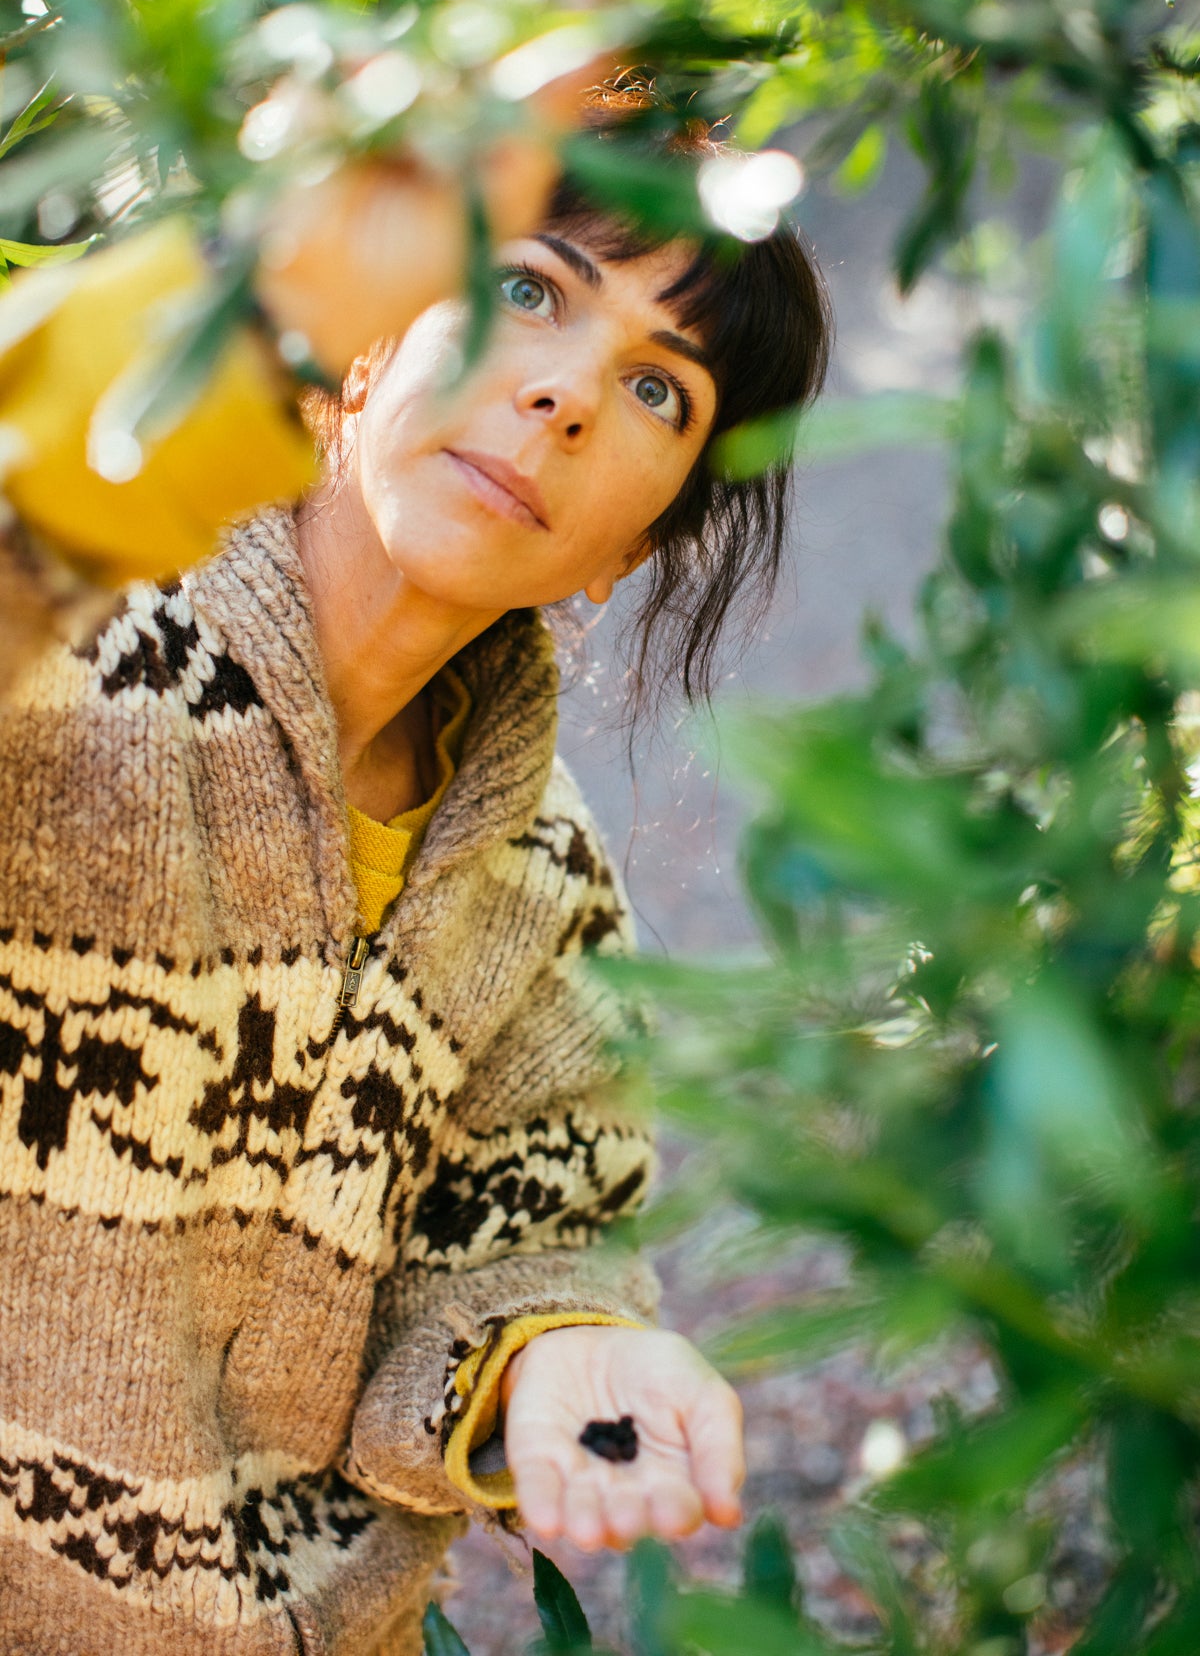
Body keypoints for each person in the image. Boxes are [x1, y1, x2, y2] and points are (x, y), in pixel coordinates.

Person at [0, 84, 831, 1654]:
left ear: (634, 551)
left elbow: (521, 1239)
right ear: (373, 331)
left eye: (664, 393)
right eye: (530, 292)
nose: (569, 397)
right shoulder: (74, 650)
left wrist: (542, 1355)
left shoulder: (547, 886)